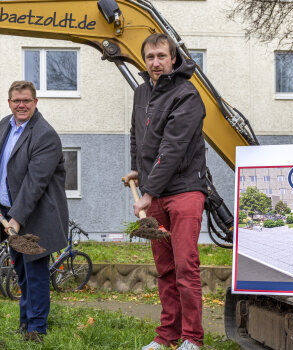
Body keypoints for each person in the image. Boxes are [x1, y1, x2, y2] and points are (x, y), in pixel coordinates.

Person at [123, 33, 208, 350]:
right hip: (154, 193)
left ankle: (192, 339)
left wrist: (148, 192)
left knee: (186, 266)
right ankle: (167, 336)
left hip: (185, 189)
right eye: (149, 57)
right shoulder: (141, 92)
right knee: (166, 269)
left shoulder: (187, 95)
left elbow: (172, 148)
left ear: (174, 59)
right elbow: (137, 135)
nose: (155, 62)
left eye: (161, 56)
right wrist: (137, 169)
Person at [0, 80, 68, 342]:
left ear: (35, 103)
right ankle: (25, 322)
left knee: (36, 272)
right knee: (21, 271)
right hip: (9, 213)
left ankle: (36, 329)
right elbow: (1, 168)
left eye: (27, 101)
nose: (21, 105)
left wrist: (16, 220)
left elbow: (34, 184)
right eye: (17, 101)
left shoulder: (45, 135)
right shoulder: (5, 125)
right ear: (9, 103)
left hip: (37, 216)